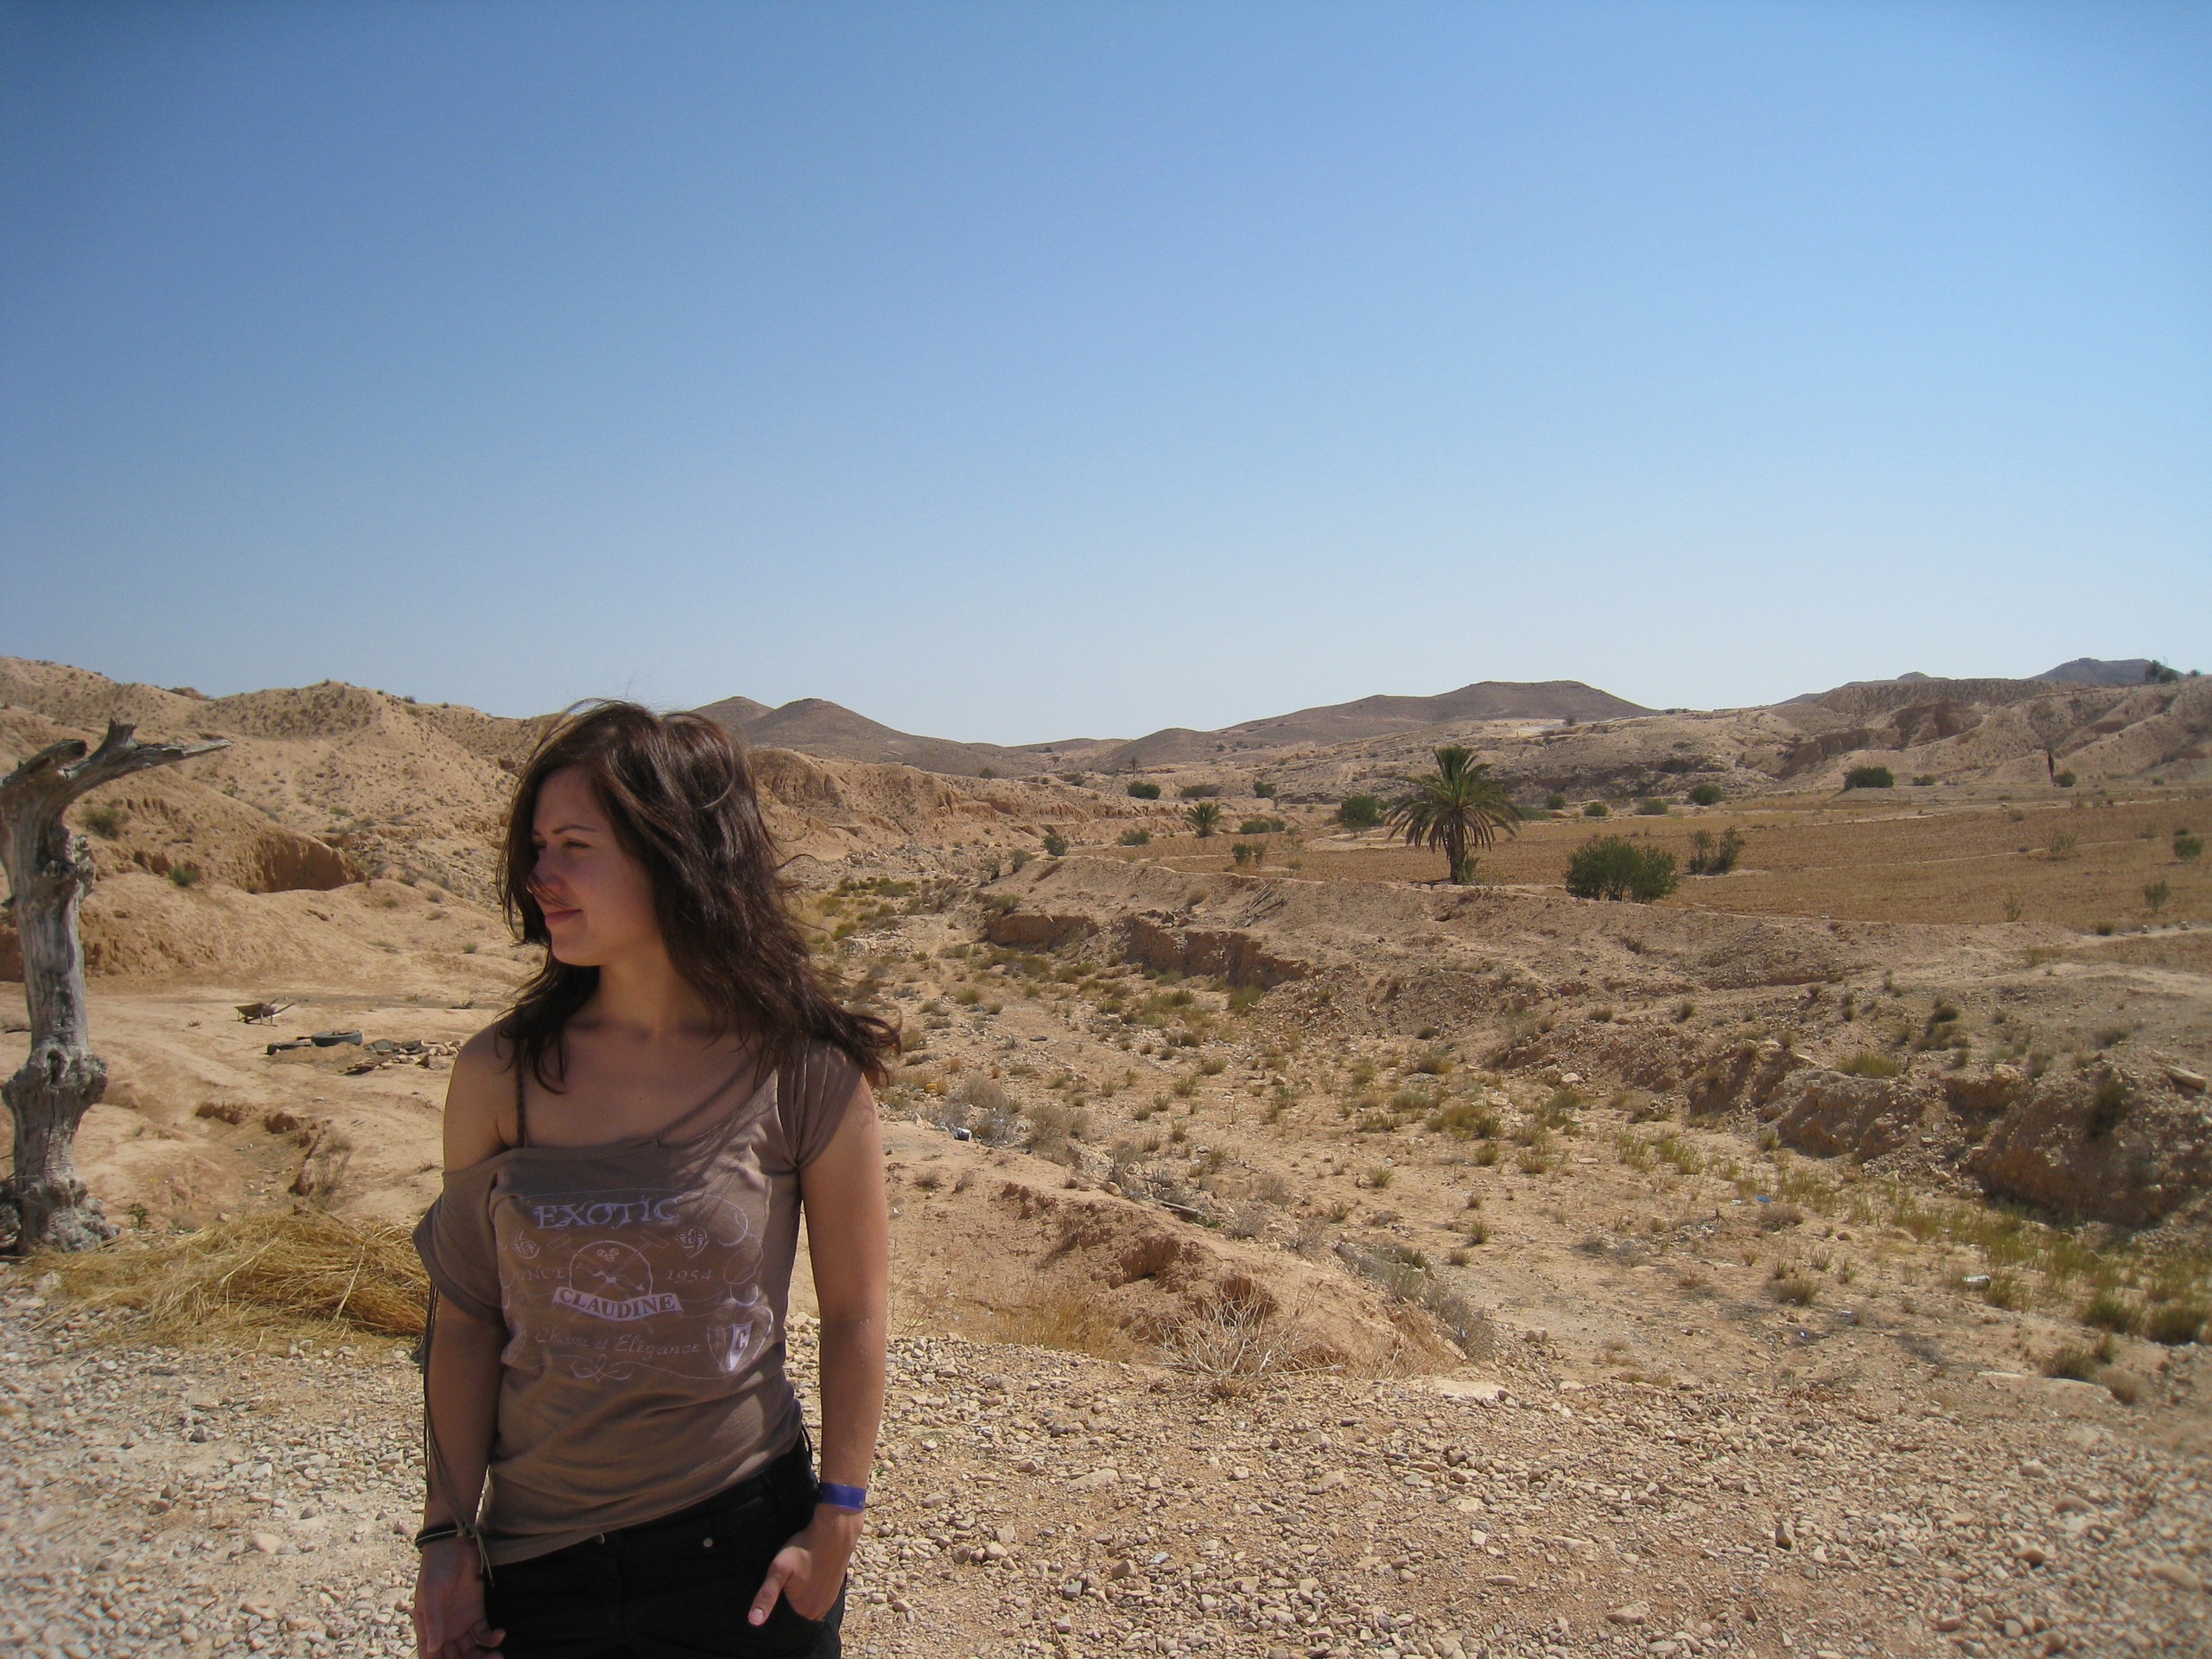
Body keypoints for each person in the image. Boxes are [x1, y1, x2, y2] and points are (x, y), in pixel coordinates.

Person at [410, 702, 893, 1659]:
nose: (539, 876)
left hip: (743, 1550)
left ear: (678, 857)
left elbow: (854, 1312)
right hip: (537, 1563)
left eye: (575, 846)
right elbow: (465, 1321)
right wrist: (445, 1537)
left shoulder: (802, 1071)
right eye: (537, 846)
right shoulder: (500, 1073)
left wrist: (838, 1513)